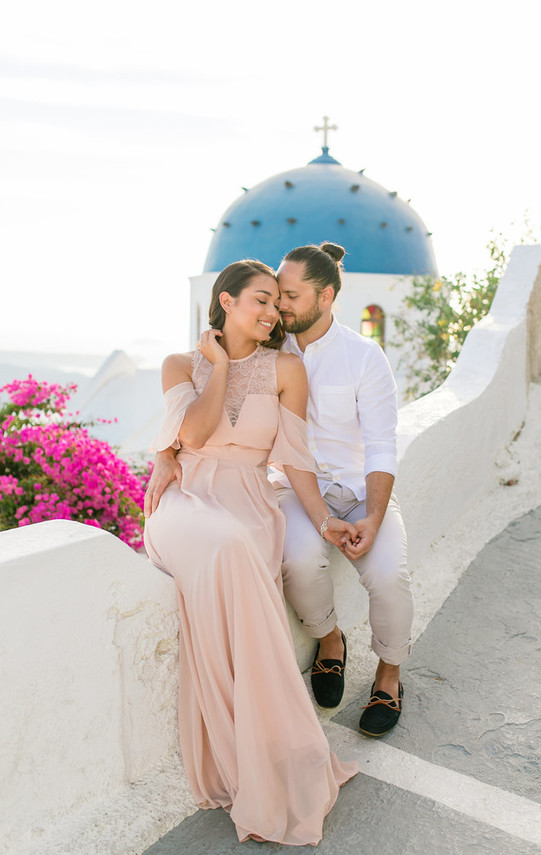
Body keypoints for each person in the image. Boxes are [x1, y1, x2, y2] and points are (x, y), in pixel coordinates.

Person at [143, 259, 358, 847]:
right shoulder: (179, 364)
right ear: (226, 301)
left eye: (276, 303)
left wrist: (323, 520)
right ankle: (248, 751)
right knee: (226, 544)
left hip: (250, 504)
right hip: (186, 501)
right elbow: (190, 436)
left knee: (237, 543)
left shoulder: (287, 368)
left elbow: (295, 459)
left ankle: (272, 751)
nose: (272, 312)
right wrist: (217, 367)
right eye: (260, 300)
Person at [274, 243, 413, 737]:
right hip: (295, 488)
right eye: (277, 293)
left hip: (359, 490)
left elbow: (380, 445)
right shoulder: (269, 351)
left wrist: (373, 517)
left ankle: (390, 674)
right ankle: (330, 640)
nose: (280, 304)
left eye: (291, 295)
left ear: (326, 296)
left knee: (390, 575)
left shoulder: (364, 356)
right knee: (295, 561)